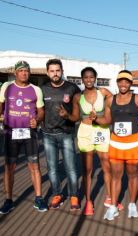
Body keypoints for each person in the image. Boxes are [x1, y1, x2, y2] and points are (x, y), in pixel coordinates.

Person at [93, 70, 138, 221]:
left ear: (131, 83)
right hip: (116, 144)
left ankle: (132, 204)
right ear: (117, 82)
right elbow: (107, 121)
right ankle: (113, 206)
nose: (123, 84)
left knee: (133, 175)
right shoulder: (110, 101)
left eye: (127, 81)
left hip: (133, 144)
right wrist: (95, 119)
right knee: (116, 176)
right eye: (121, 81)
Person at [0, 60, 48, 214]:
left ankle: (39, 198)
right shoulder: (7, 87)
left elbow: (41, 111)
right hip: (11, 133)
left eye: (26, 71)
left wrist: (36, 120)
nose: (24, 73)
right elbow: (0, 104)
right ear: (15, 73)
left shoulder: (36, 90)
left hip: (29, 133)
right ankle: (8, 200)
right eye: (21, 70)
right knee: (9, 167)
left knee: (34, 166)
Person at [60, 66, 116, 216]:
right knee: (87, 170)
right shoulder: (78, 97)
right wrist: (66, 116)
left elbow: (116, 105)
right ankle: (89, 201)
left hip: (102, 130)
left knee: (106, 166)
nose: (89, 80)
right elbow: (75, 117)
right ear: (82, 79)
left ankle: (109, 197)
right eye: (86, 77)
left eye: (92, 77)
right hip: (85, 132)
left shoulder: (103, 92)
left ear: (95, 78)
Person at [41, 59, 81, 211]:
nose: (55, 73)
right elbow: (38, 109)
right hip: (47, 134)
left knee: (70, 167)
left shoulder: (72, 88)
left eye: (57, 70)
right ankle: (57, 194)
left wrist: (68, 115)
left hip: (66, 133)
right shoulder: (43, 89)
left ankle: (74, 196)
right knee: (52, 168)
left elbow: (78, 111)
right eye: (52, 71)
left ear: (62, 71)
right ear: (47, 72)